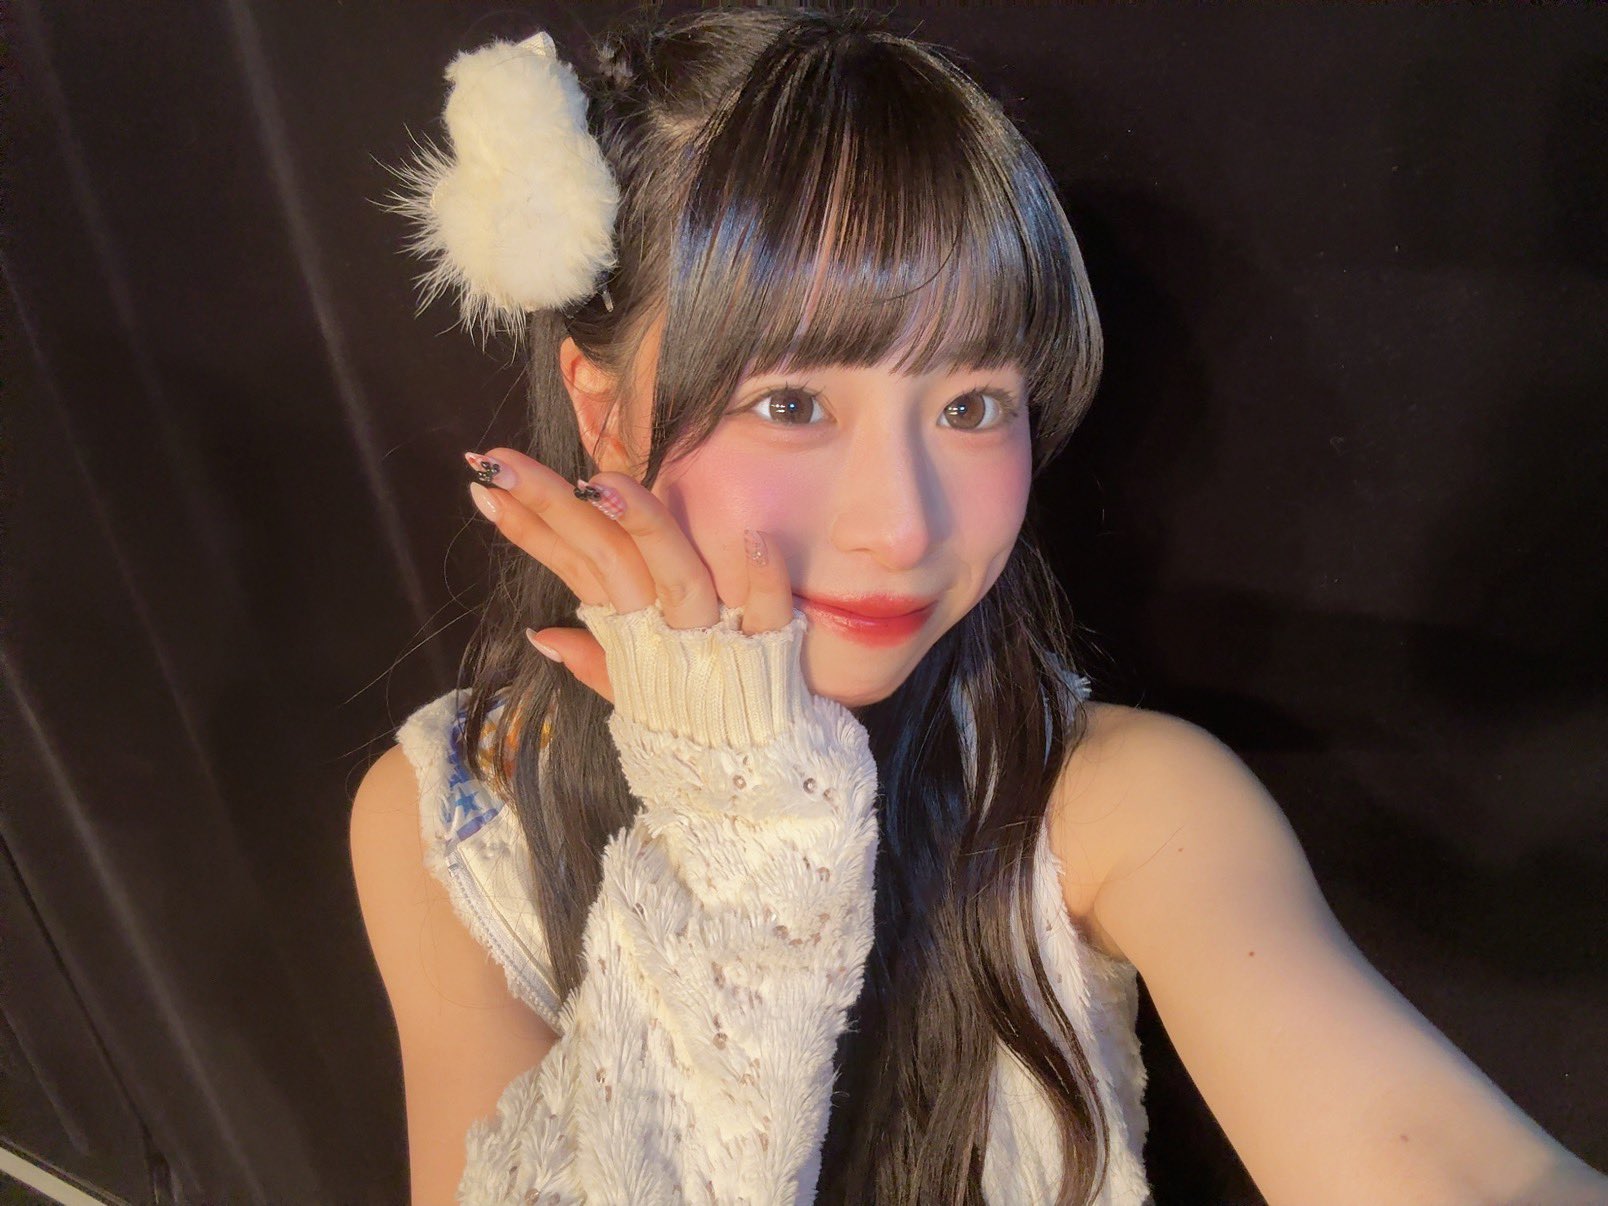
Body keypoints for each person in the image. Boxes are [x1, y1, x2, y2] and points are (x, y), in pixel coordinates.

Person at [348, 7, 1608, 1204]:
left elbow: (1451, 1167)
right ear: (602, 407)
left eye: (970, 406)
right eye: (793, 403)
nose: (904, 526)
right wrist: (742, 835)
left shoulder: (1112, 801)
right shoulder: (457, 817)